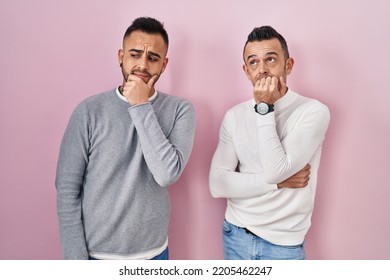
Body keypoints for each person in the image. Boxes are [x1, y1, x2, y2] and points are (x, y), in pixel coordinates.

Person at [55, 17, 196, 260]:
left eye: (153, 58)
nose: (142, 64)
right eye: (134, 54)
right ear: (121, 56)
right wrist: (75, 262)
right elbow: (67, 189)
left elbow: (166, 174)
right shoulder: (89, 111)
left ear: (164, 64)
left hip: (154, 255)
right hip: (95, 256)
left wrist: (141, 104)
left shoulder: (180, 110)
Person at [209, 26, 330, 260]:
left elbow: (277, 170)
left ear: (289, 65)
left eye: (271, 59)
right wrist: (277, 184)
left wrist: (264, 107)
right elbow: (217, 184)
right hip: (236, 233)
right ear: (246, 71)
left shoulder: (313, 111)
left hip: (283, 244)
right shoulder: (234, 116)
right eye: (253, 62)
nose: (262, 70)